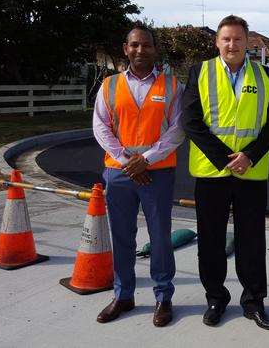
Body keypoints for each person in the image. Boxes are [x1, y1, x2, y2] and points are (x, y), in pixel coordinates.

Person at [181, 15, 269, 330]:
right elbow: (191, 120)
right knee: (210, 241)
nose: (232, 44)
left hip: (250, 174)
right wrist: (225, 159)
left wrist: (250, 156)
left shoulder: (265, 74)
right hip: (212, 174)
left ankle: (254, 302)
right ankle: (216, 298)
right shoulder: (201, 71)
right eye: (226, 38)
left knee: (251, 241)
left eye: (238, 39)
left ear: (248, 42)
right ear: (217, 42)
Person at [93, 22, 184, 327]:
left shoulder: (173, 87)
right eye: (134, 45)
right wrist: (126, 161)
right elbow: (101, 127)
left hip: (157, 173)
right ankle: (124, 295)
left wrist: (144, 160)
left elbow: (177, 131)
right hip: (118, 174)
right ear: (125, 49)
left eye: (146, 45)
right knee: (122, 237)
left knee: (159, 239)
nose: (140, 50)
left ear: (156, 50)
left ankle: (163, 297)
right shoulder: (108, 86)